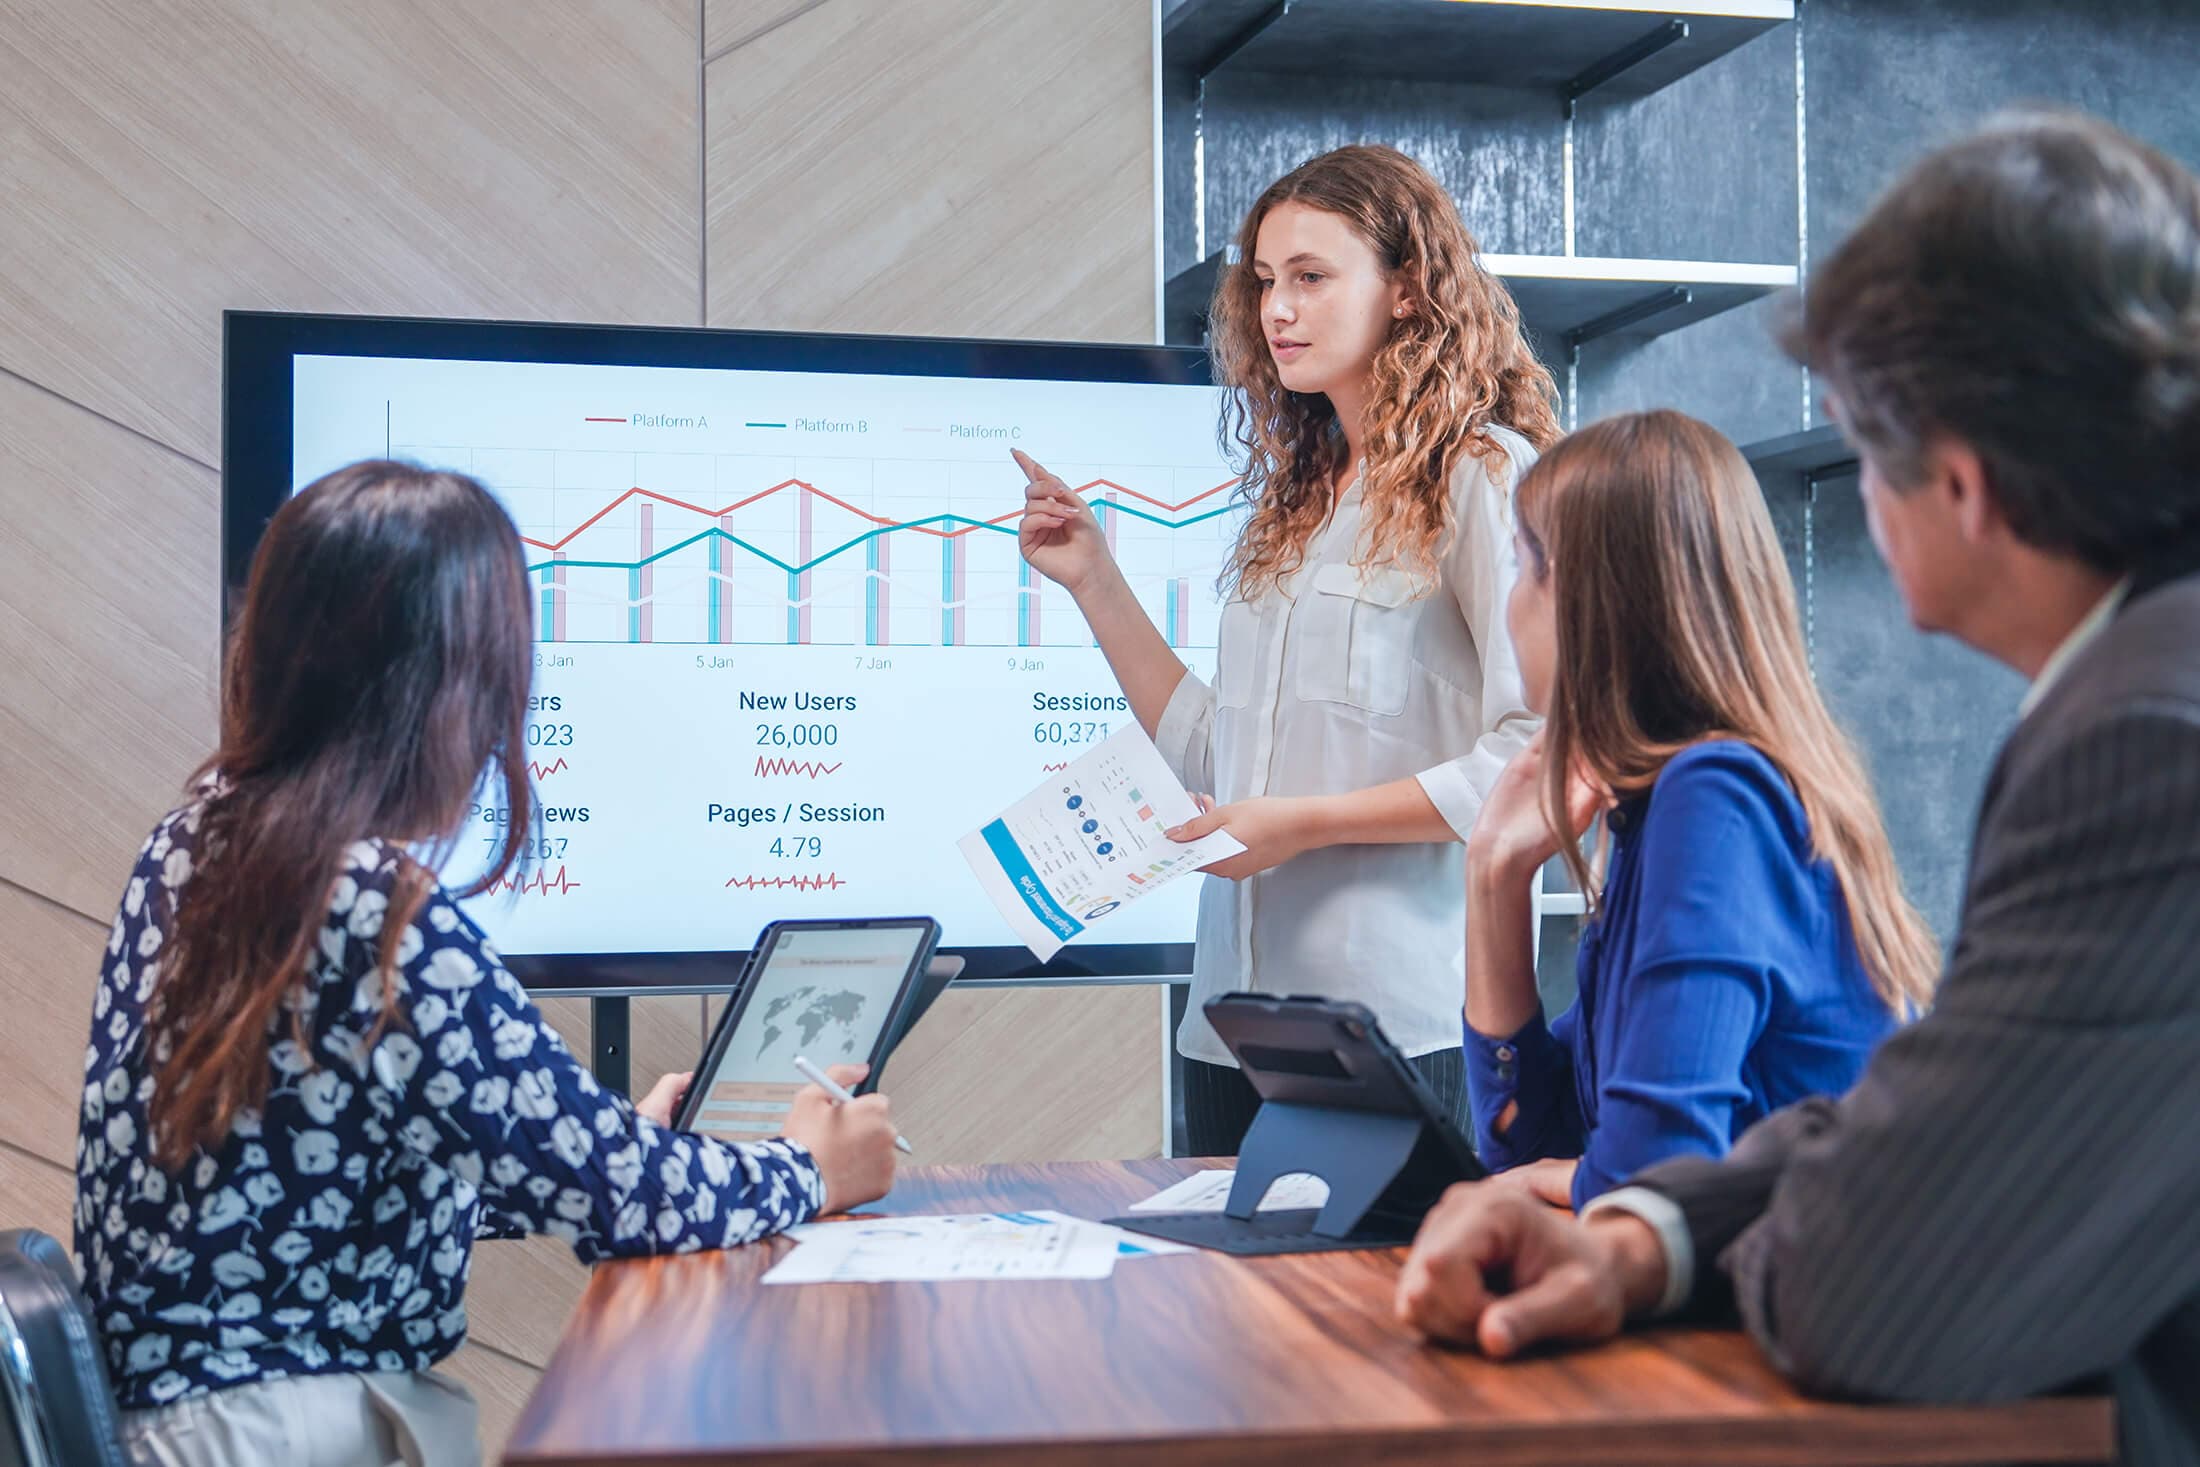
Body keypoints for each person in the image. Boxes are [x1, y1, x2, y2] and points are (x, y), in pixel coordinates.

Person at [1394, 111, 2200, 1466]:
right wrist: (1644, 1234)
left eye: (1865, 452)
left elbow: (1869, 1287)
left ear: (1961, 482)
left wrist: (1641, 1217)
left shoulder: (2137, 742)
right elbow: (1908, 1113)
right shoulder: (2132, 690)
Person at [75, 461, 902, 1467]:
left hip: (184, 1424)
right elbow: (620, 1198)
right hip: (283, 1430)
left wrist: (612, 1146)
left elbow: (329, 1157)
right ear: (446, 688)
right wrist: (813, 1171)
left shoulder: (195, 839)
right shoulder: (373, 906)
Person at [1016, 144, 1558, 1153]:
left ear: (1407, 290)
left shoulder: (1487, 476)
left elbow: (1536, 759)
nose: (1276, 310)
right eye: (1264, 282)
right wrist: (1094, 580)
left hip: (1406, 1019)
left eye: (1310, 278)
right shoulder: (1298, 503)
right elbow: (1220, 760)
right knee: (1222, 1309)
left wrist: (1303, 822)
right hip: (1234, 1024)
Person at [1461, 410, 1938, 1210]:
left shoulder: (1713, 799)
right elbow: (1533, 1141)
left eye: (1520, 567)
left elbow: (1649, 1181)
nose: (1510, 605)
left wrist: (1570, 1179)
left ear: (1584, 600)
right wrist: (1493, 878)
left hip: (1798, 1317)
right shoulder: (1659, 807)